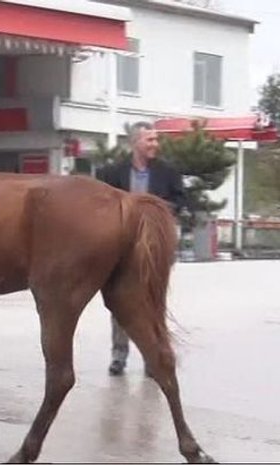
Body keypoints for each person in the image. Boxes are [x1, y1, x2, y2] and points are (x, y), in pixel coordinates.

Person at [96, 121, 187, 376]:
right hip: (121, 248)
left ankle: (152, 357)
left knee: (152, 302)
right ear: (135, 142)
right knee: (119, 300)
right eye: (150, 140)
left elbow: (181, 200)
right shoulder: (111, 173)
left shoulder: (168, 172)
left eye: (156, 140)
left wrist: (157, 212)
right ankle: (119, 356)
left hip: (155, 248)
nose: (155, 144)